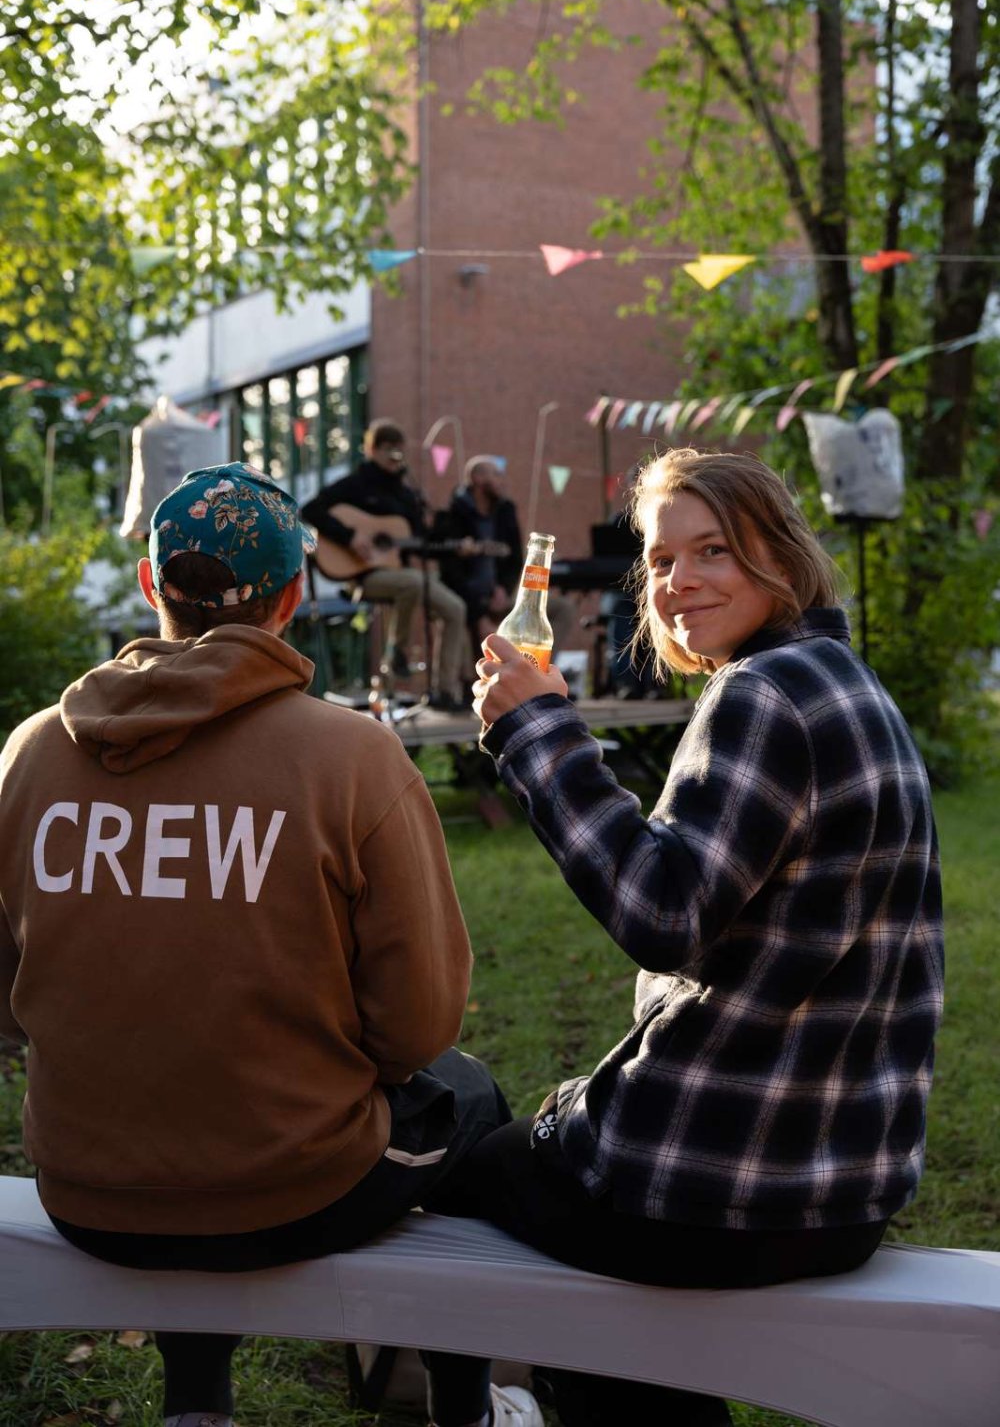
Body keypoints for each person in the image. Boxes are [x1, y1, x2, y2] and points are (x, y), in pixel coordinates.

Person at [0, 462, 541, 1427]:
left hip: (83, 1189)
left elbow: (7, 1004)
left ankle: (196, 1401)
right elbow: (419, 1029)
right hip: (295, 1189)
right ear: (294, 596)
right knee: (468, 1094)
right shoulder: (352, 757)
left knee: (193, 1093)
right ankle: (464, 1408)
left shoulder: (31, 752)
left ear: (150, 584)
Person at [450, 447, 944, 1427]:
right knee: (557, 1175)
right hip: (847, 1186)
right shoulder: (843, 681)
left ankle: (480, 1403)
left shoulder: (763, 695)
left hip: (715, 1190)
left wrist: (539, 734)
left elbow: (663, 914)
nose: (678, 581)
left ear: (782, 555)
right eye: (660, 559)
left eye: (711, 549)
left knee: (468, 1159)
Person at [301, 420, 468, 710]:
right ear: (372, 450)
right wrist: (350, 536)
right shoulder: (355, 484)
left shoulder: (406, 493)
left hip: (403, 575)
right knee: (412, 582)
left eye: (399, 449)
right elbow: (310, 510)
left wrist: (454, 541)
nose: (395, 455)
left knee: (456, 609)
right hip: (362, 575)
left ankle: (445, 691)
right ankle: (396, 654)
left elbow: (420, 541)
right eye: (388, 449)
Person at [440, 456, 577, 656]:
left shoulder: (505, 511)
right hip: (467, 602)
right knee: (459, 627)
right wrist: (479, 616)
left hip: (501, 599)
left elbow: (515, 560)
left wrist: (503, 589)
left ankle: (533, 666)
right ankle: (456, 678)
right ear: (477, 478)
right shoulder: (454, 514)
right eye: (496, 475)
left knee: (563, 609)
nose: (501, 481)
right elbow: (452, 574)